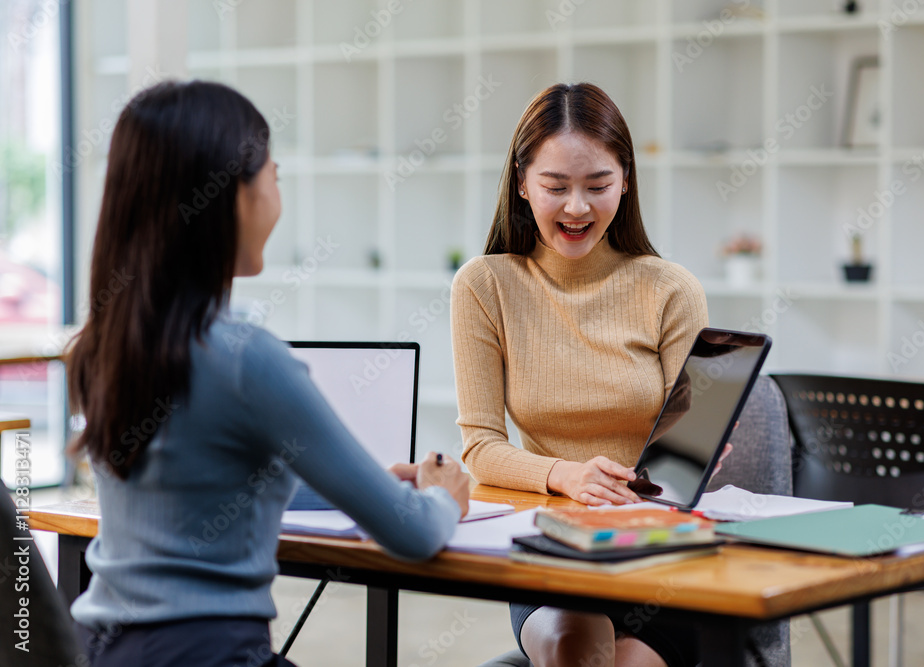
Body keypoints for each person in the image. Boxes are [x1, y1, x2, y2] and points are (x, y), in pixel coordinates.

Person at [65, 80, 469, 667]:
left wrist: (362, 486)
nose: (278, 195)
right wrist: (443, 498)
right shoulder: (245, 358)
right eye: (274, 175)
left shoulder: (102, 347)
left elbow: (198, 488)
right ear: (233, 196)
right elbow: (413, 533)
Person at [450, 82, 710, 667]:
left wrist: (705, 457)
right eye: (555, 186)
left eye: (597, 186)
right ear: (522, 183)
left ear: (626, 181)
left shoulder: (671, 290)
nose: (577, 208)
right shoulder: (485, 286)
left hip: (656, 549)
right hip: (554, 544)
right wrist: (568, 476)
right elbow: (481, 447)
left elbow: (691, 449)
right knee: (575, 646)